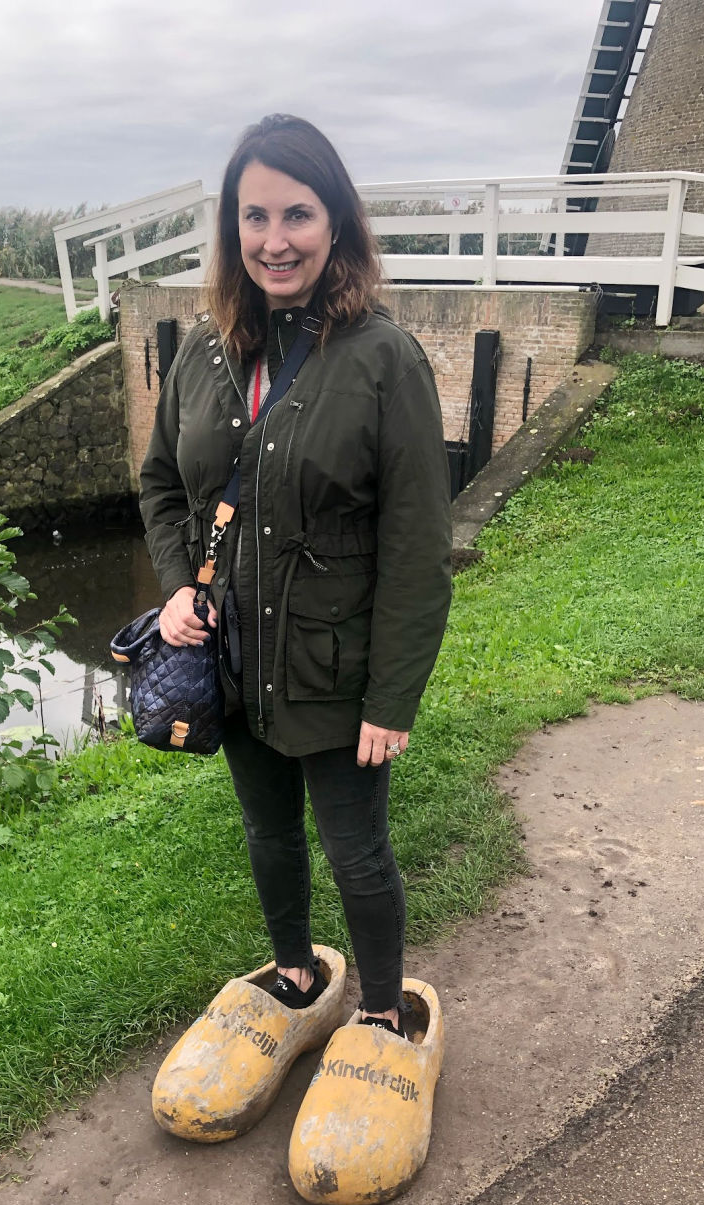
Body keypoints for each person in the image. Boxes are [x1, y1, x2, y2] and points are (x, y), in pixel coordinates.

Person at [139, 114, 451, 1051]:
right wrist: (175, 589)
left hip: (336, 666)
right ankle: (293, 970)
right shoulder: (200, 352)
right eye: (255, 216)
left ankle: (383, 1011)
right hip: (234, 659)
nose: (275, 240)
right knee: (267, 834)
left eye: (298, 214)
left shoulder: (382, 359)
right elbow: (161, 483)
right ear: (232, 229)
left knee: (356, 852)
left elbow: (416, 548)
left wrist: (391, 696)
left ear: (336, 224)